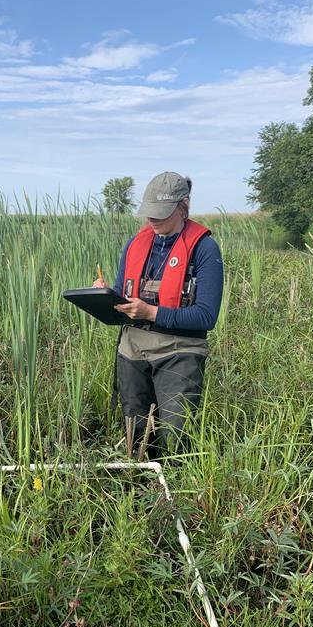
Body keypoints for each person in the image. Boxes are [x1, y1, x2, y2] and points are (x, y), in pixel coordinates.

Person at [94, 171, 224, 453]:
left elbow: (206, 316)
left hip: (181, 351)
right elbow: (123, 299)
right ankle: (138, 486)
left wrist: (151, 313)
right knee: (135, 433)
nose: (152, 220)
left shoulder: (204, 249)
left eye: (160, 213)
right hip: (133, 349)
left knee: (176, 436)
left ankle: (175, 491)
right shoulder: (135, 244)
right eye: (149, 213)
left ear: (183, 206)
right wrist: (104, 296)